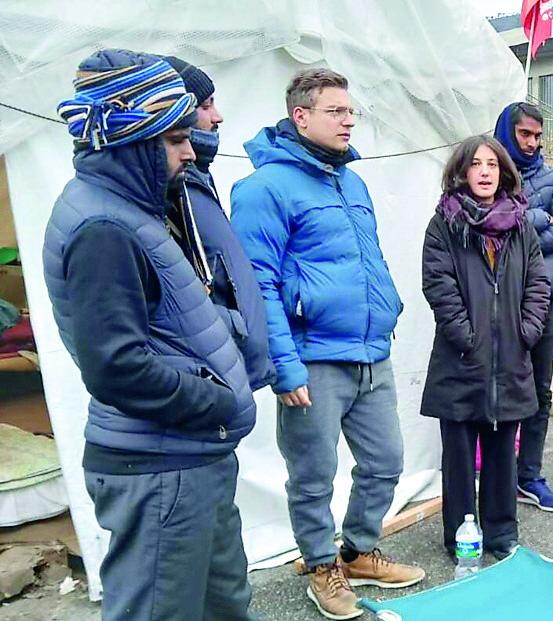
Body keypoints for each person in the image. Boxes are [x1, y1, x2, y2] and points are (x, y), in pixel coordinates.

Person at [43, 49, 257, 621]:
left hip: (190, 457)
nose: (190, 151)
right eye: (174, 138)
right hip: (161, 468)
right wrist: (214, 398)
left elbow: (171, 318)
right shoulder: (104, 229)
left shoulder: (131, 209)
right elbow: (118, 366)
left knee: (222, 607)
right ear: (132, 139)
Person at [231, 69, 422, 620]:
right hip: (312, 358)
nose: (349, 119)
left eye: (350, 110)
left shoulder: (351, 182)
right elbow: (256, 284)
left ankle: (358, 552)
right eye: (336, 111)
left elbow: (367, 261)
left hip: (370, 354)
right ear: (301, 116)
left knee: (386, 463)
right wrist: (283, 367)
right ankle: (321, 567)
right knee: (313, 477)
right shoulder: (263, 189)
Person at [420, 135, 551, 560]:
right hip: (461, 360)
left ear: (504, 173)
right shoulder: (444, 223)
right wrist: (468, 335)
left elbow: (537, 284)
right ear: (461, 171)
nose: (485, 172)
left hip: (511, 359)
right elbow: (438, 285)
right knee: (458, 458)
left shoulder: (521, 225)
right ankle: (460, 534)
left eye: (492, 165)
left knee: (501, 455)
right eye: (476, 164)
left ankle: (500, 535)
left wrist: (526, 331)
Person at [163, 56, 276, 392]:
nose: (218, 117)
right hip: (207, 367)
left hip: (229, 361)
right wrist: (227, 324)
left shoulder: (196, 177)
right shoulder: (173, 183)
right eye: (206, 105)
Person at [492, 101, 553, 513]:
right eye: (525, 134)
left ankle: (529, 475)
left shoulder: (549, 176)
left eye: (537, 136)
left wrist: (529, 231)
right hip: (499, 301)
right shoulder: (487, 173)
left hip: (545, 298)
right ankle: (495, 473)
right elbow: (490, 224)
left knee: (540, 392)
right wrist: (539, 219)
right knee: (501, 386)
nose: (532, 143)